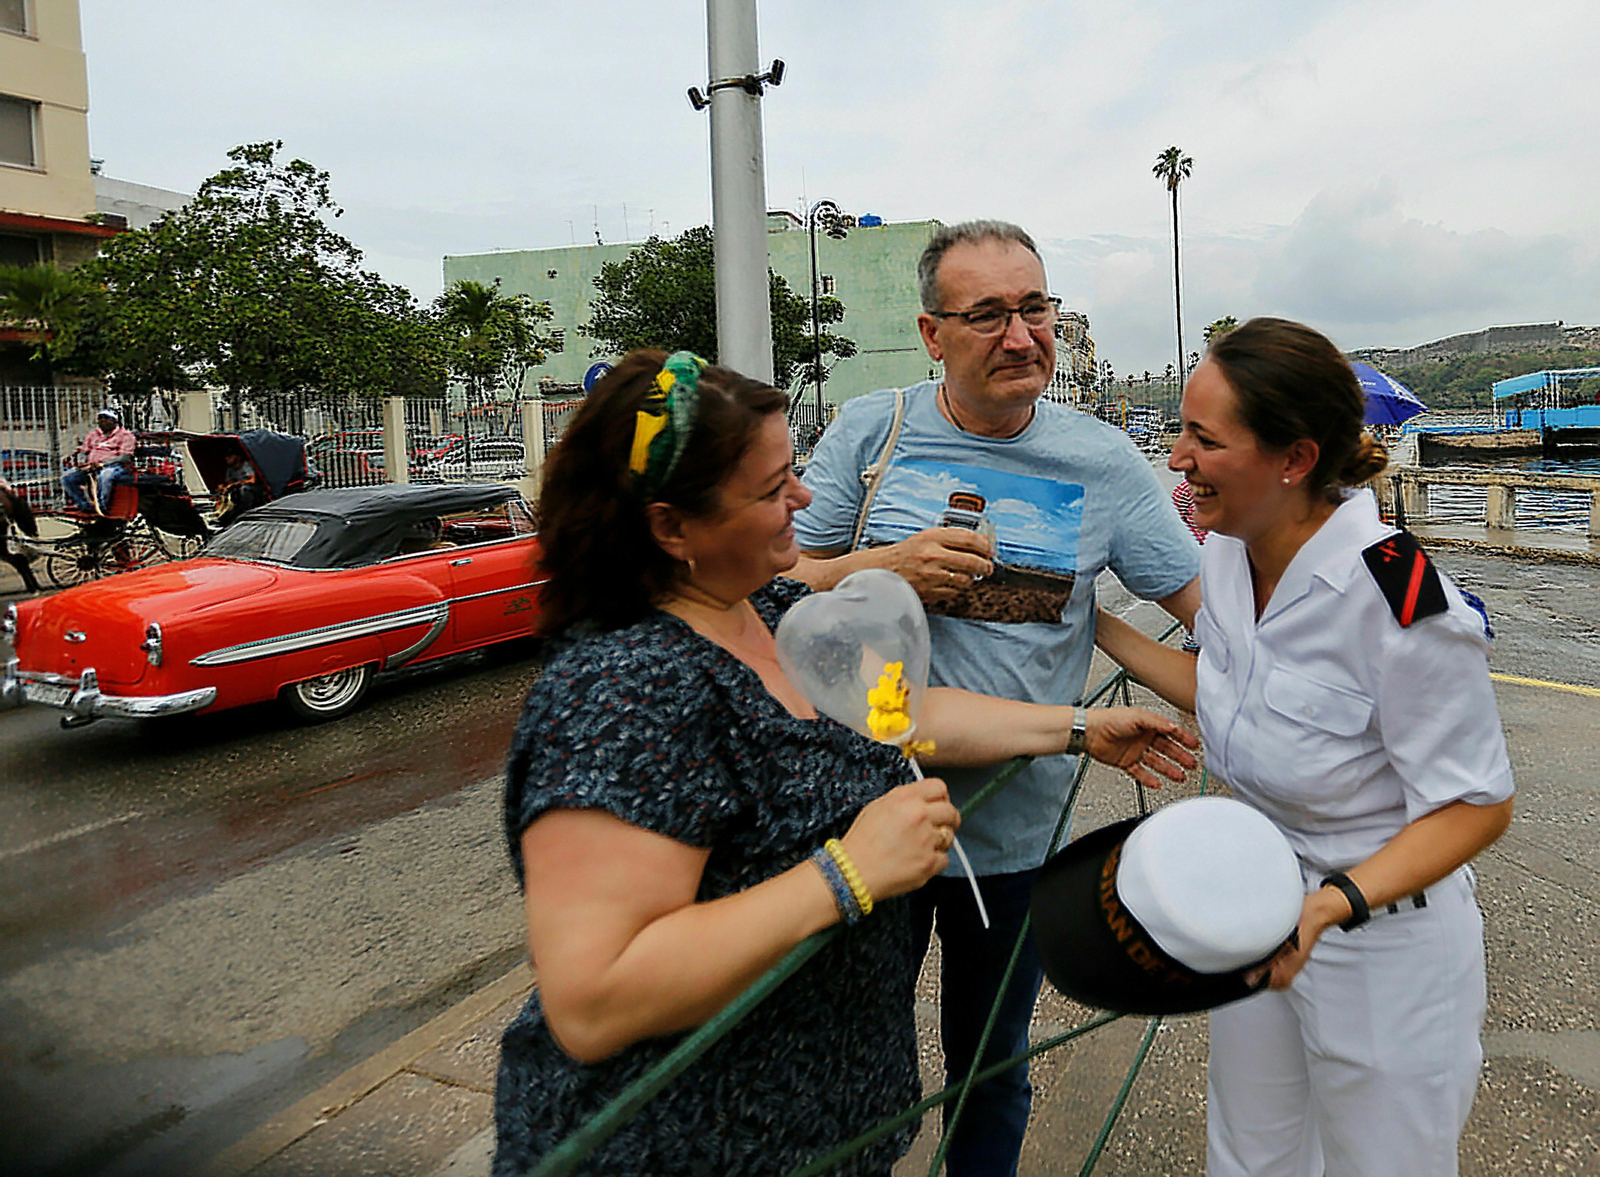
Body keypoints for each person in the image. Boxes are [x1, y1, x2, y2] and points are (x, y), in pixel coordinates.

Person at [495, 349, 1199, 1177]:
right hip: (683, 1146)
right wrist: (849, 873)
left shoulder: (767, 607)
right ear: (670, 528)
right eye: (770, 489)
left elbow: (900, 712)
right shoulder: (620, 692)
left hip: (823, 1133)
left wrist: (1079, 726)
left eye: (791, 470)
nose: (803, 497)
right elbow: (594, 995)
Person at [791, 220, 1202, 1174]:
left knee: (990, 1069)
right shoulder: (872, 429)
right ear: (933, 334)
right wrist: (883, 563)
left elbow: (1209, 610)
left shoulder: (1104, 461)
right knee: (847, 1071)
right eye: (986, 315)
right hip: (860, 819)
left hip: (1012, 837)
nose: (1021, 336)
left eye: (1035, 308)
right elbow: (771, 590)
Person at [1094, 317, 1515, 1177]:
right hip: (1260, 912)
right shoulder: (1225, 554)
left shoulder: (1399, 600)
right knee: (1250, 1157)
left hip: (1382, 941)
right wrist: (1089, 623)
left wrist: (1335, 902)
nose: (1176, 457)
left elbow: (1477, 803)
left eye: (1204, 439)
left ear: (1293, 459)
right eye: (1182, 429)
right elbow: (1221, 685)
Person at [61, 409, 136, 513]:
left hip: (114, 466)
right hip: (91, 466)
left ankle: (102, 507)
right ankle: (84, 505)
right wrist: (82, 463)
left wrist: (102, 464)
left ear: (114, 421)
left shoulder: (126, 435)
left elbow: (124, 457)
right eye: (100, 418)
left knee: (105, 476)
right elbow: (83, 452)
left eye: (106, 418)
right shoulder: (93, 434)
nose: (102, 421)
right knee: (68, 478)